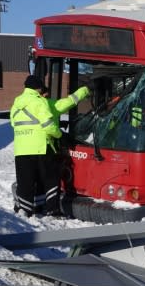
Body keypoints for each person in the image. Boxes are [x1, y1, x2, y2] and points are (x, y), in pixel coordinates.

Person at [10, 75, 90, 216]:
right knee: (51, 178)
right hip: (41, 147)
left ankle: (25, 210)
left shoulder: (16, 104)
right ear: (39, 88)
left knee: (26, 182)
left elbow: (13, 124)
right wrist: (61, 136)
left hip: (21, 150)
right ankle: (52, 209)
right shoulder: (40, 102)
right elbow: (48, 125)